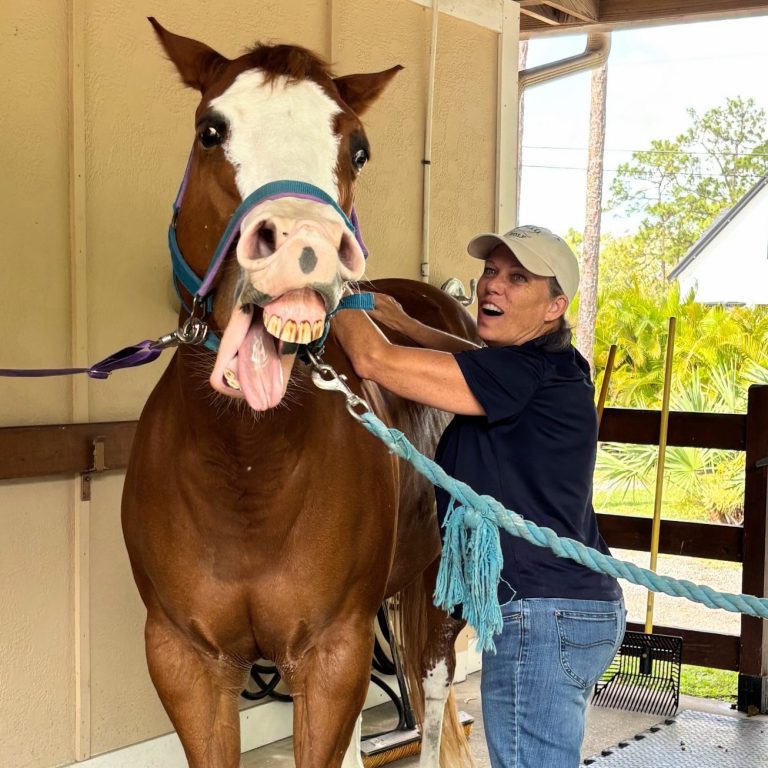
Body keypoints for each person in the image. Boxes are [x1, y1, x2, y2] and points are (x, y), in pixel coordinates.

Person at [332, 224, 625, 768]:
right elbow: (477, 360)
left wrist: (325, 279)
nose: (494, 285)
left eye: (518, 278)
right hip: (574, 606)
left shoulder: (520, 375)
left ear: (554, 306)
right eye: (491, 271)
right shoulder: (558, 366)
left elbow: (373, 362)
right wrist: (410, 325)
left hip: (541, 616)